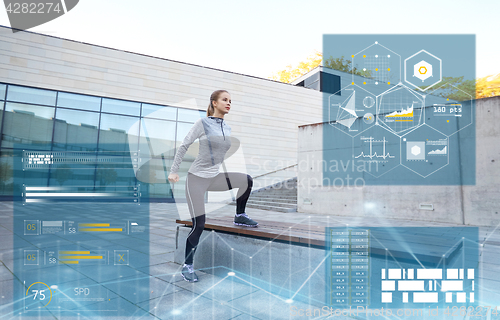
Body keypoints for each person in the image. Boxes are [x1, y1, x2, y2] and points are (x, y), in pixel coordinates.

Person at [168, 90, 258, 283]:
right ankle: (187, 266)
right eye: (225, 100)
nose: (229, 103)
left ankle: (240, 215)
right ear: (214, 103)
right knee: (199, 225)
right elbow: (184, 145)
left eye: (230, 101)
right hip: (196, 179)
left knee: (246, 180)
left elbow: (218, 155)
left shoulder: (228, 127)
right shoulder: (203, 123)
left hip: (214, 177)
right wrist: (174, 170)